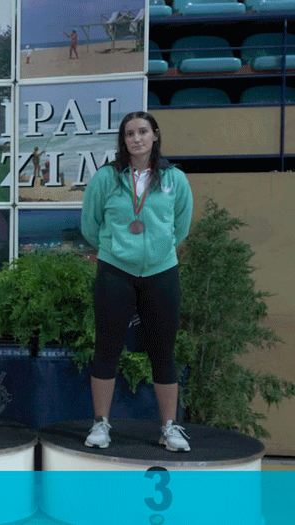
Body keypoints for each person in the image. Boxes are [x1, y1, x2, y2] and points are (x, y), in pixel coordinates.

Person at [80, 111, 193, 452]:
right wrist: (114, 248)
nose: (137, 138)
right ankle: (101, 424)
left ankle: (169, 427)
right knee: (107, 348)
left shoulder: (175, 179)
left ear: (155, 135)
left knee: (163, 351)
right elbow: (90, 224)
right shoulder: (106, 177)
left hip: (161, 272)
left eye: (143, 131)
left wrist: (158, 251)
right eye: (130, 133)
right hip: (115, 271)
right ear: (123, 140)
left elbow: (181, 226)